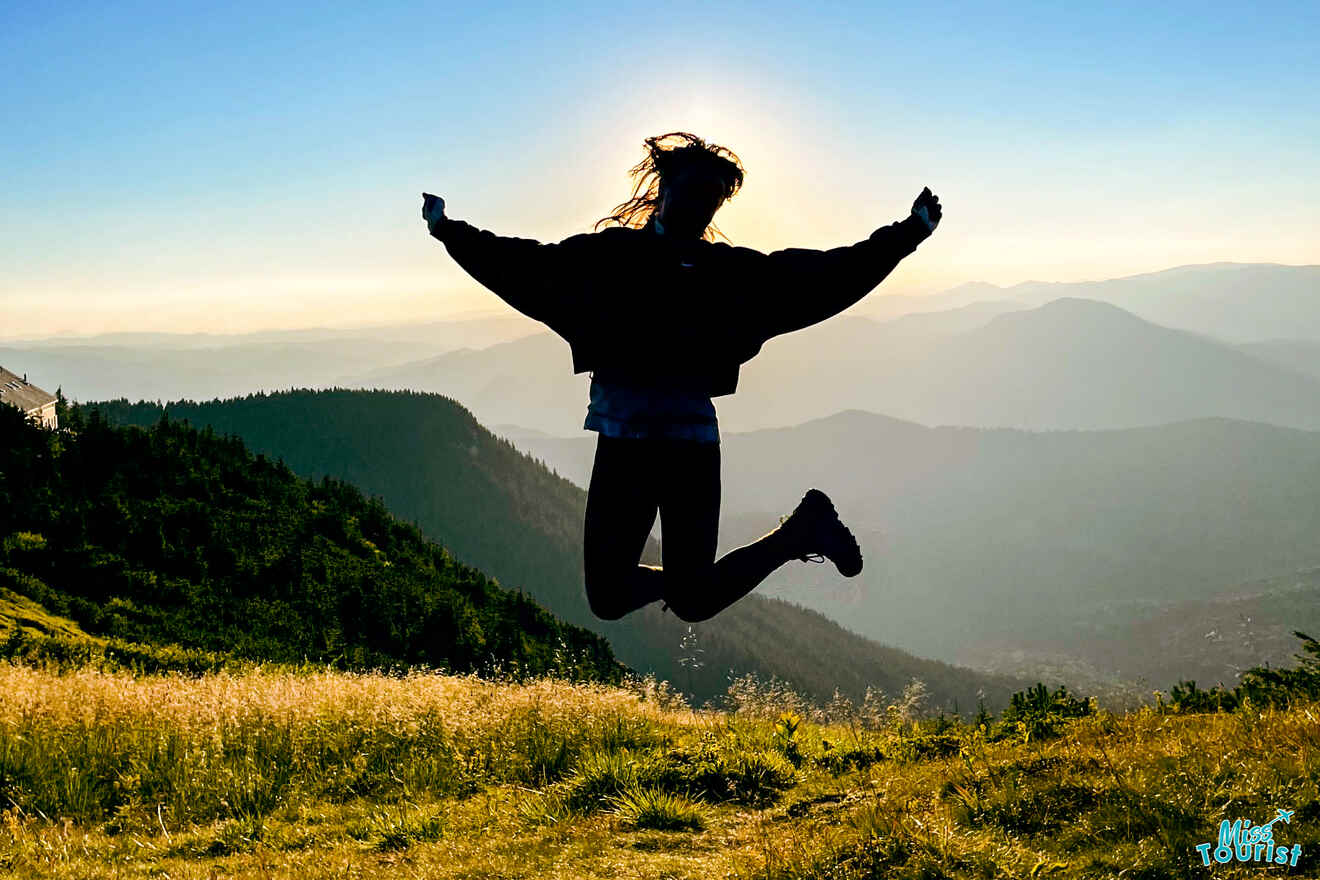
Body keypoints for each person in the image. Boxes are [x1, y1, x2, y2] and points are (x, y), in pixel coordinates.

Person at [423, 131, 941, 623]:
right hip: (623, 441)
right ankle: (800, 532)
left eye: (714, 200)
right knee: (608, 596)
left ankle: (796, 536)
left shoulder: (729, 274)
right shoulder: (608, 258)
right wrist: (449, 231)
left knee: (691, 599)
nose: (702, 206)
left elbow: (829, 275)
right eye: (694, 191)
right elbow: (521, 264)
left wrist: (908, 234)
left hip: (688, 444)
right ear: (664, 190)